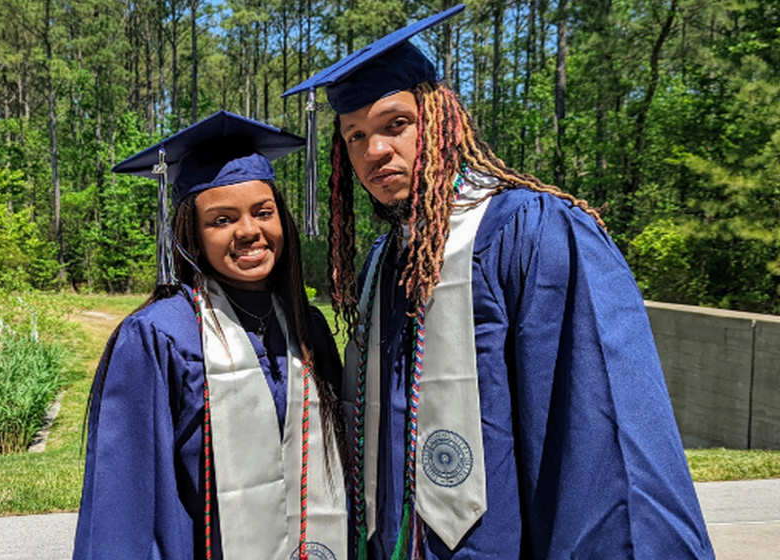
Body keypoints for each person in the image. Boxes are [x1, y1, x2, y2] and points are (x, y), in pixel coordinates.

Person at [283, 5, 713, 559]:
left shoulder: (533, 232)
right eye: (355, 135)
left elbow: (600, 435)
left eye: (396, 124)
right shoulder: (383, 264)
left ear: (439, 120)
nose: (375, 151)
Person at [73, 111, 348, 560]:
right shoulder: (159, 337)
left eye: (264, 212)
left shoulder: (306, 327)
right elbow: (125, 501)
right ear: (192, 235)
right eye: (221, 220)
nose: (248, 232)